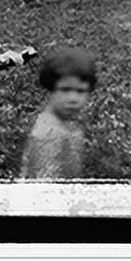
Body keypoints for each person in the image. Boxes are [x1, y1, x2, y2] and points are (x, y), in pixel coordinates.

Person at [20, 46, 97, 179]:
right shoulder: (49, 133)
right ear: (51, 89)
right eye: (65, 90)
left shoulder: (68, 127)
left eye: (80, 91)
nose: (73, 99)